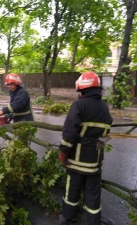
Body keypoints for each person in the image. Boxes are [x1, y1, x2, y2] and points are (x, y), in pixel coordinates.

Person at [58, 71, 113, 225]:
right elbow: (106, 131)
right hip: (95, 162)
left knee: (72, 191)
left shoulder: (79, 105)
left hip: (76, 161)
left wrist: (63, 152)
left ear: (82, 90)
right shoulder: (104, 107)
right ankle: (93, 222)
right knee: (93, 195)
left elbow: (69, 133)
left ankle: (69, 218)